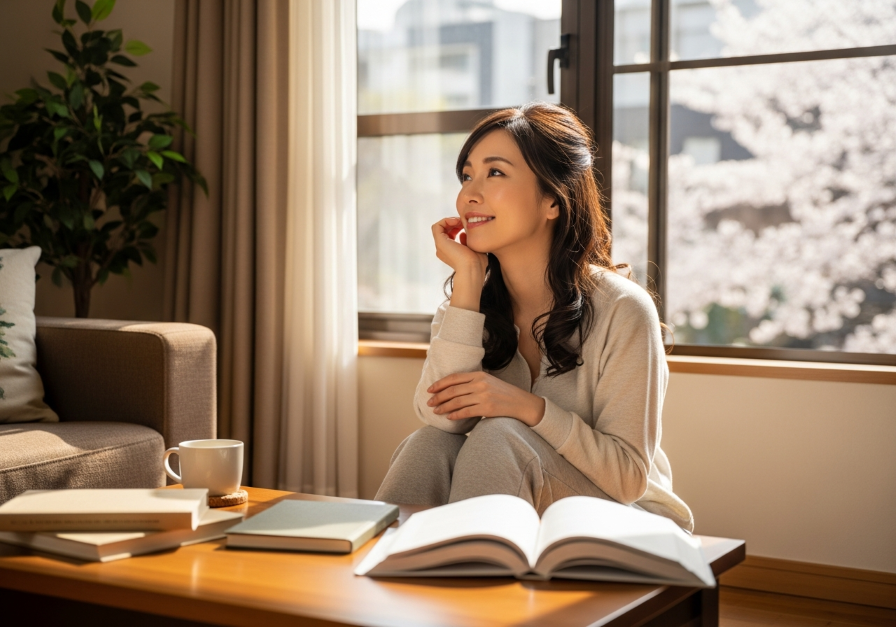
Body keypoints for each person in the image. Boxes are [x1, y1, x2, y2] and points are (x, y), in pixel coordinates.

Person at [374, 102, 694, 532]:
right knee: (427, 444)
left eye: (496, 173)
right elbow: (441, 418)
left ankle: (469, 586)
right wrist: (468, 279)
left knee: (498, 436)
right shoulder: (467, 304)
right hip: (524, 502)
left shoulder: (623, 309)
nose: (470, 194)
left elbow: (628, 479)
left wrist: (527, 408)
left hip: (628, 517)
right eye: (467, 175)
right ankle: (384, 579)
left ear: (552, 201)